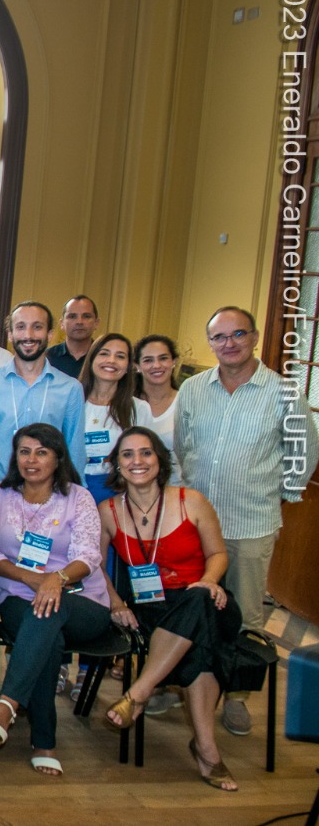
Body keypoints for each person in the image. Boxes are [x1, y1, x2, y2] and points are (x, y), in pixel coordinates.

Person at [175, 305, 317, 734]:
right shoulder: (194, 389)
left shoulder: (284, 393)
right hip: (195, 526)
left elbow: (304, 453)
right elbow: (182, 447)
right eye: (219, 337)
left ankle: (237, 695)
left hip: (249, 525)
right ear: (210, 343)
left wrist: (281, 496)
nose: (228, 344)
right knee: (185, 608)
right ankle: (176, 684)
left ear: (254, 337)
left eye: (238, 335)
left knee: (246, 616)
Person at [98, 427, 243, 790]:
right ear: (117, 464)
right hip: (150, 608)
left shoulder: (190, 500)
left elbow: (218, 554)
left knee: (197, 605)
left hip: (206, 597)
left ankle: (138, 693)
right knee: (201, 646)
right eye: (127, 454)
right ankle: (206, 749)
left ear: (160, 460)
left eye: (146, 453)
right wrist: (115, 601)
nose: (137, 462)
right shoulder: (108, 511)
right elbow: (94, 565)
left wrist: (210, 581)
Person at [0, 424, 109, 777]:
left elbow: (88, 554)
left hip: (81, 600)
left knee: (50, 608)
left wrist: (56, 580)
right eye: (24, 451)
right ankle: (43, 740)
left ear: (58, 458)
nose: (31, 460)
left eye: (41, 452)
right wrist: (32, 578)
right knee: (47, 628)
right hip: (18, 595)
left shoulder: (78, 497)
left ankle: (8, 703)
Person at [0, 301, 85, 520]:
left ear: (50, 334)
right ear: (10, 334)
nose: (28, 335)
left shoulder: (70, 388)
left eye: (37, 327)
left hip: (49, 501)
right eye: (21, 327)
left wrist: (76, 503)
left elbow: (75, 453)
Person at [77, 332, 138, 504]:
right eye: (104, 353)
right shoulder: (71, 402)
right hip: (74, 490)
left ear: (127, 366)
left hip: (119, 493)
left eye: (120, 356)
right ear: (91, 359)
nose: (111, 361)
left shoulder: (138, 408)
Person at [133, 334, 181, 479]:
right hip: (132, 490)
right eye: (148, 360)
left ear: (174, 362)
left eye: (163, 358)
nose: (157, 365)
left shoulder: (187, 402)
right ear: (137, 366)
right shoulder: (126, 404)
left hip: (176, 490)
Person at [47, 295, 101, 379]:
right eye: (72, 316)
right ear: (62, 323)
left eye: (86, 316)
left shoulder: (104, 358)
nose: (79, 322)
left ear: (96, 323)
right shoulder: (46, 358)